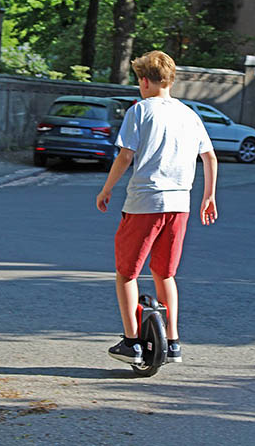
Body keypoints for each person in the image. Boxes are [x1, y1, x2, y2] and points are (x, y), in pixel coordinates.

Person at [96, 50, 218, 365]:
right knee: (165, 274)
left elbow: (125, 156)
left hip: (144, 203)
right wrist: (209, 196)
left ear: (145, 81)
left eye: (139, 81)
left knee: (126, 273)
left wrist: (107, 188)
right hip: (180, 204)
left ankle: (131, 342)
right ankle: (174, 342)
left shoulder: (139, 111)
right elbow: (209, 157)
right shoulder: (189, 114)